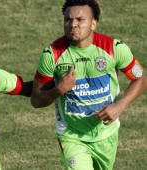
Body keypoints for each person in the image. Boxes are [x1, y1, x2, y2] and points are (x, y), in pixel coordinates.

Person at [31, 0, 147, 169]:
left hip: (106, 135)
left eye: (80, 20)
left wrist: (119, 106)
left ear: (94, 23)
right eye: (68, 20)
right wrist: (59, 89)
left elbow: (140, 79)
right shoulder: (52, 55)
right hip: (72, 136)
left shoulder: (113, 48)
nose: (73, 25)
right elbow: (36, 100)